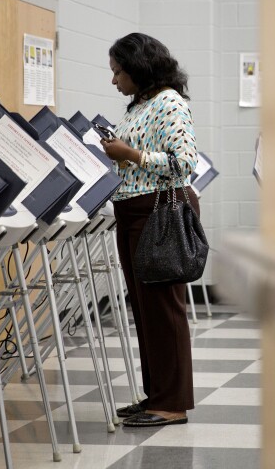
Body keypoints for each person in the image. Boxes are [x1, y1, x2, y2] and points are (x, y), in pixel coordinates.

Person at [100, 32, 198, 427]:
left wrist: (131, 154)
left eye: (118, 72)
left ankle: (172, 403)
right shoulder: (139, 104)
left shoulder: (168, 102)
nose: (114, 81)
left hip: (157, 214)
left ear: (138, 68)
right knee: (144, 310)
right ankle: (155, 395)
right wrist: (121, 155)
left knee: (163, 310)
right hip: (132, 212)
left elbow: (184, 162)